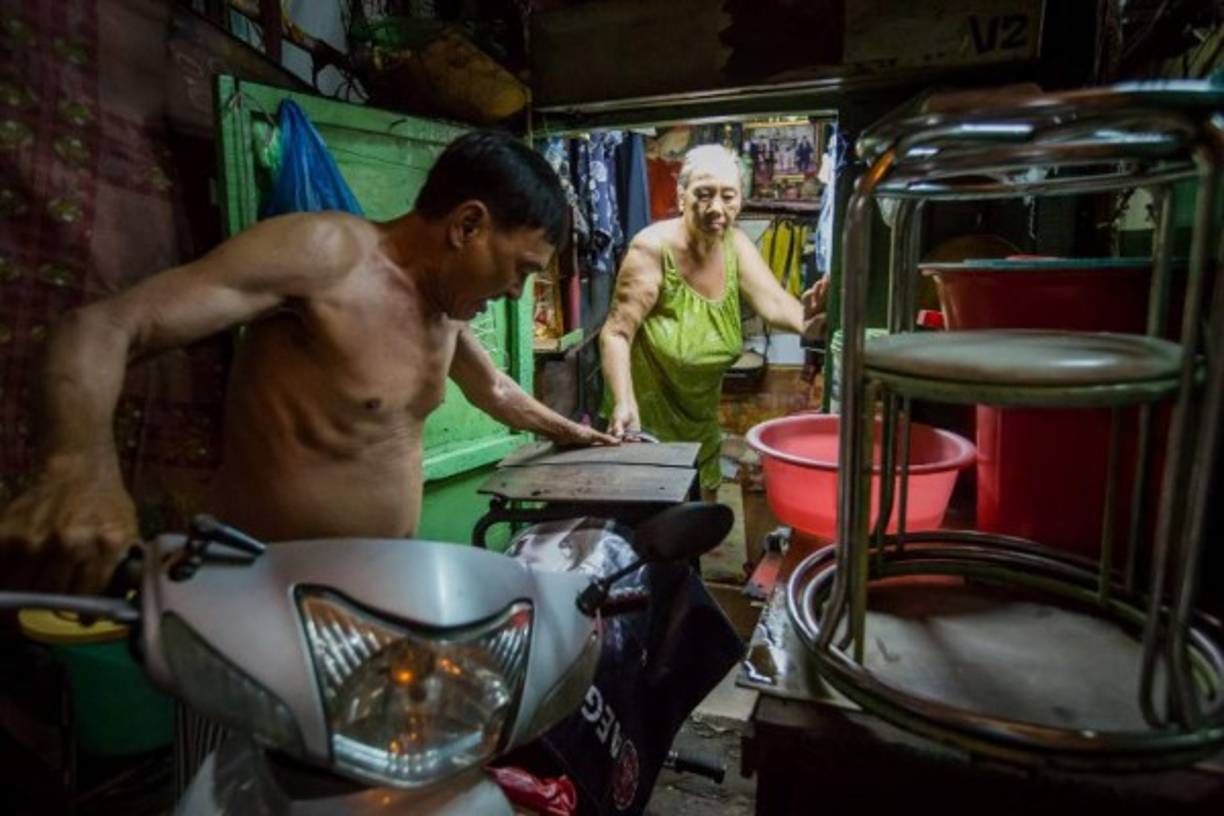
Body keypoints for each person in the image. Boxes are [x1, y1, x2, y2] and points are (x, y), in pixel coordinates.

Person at [0, 130, 616, 596]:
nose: (516, 292)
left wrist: (573, 435)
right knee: (240, 764)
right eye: (521, 270)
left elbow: (495, 391)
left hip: (368, 588)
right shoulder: (328, 257)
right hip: (254, 589)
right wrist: (78, 470)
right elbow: (104, 326)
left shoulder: (445, 310)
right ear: (468, 225)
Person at [601, 144, 828, 500]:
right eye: (703, 194)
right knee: (649, 531)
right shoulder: (652, 249)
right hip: (645, 423)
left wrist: (809, 322)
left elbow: (772, 302)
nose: (717, 209)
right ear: (681, 195)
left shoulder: (734, 244)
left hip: (700, 420)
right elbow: (616, 332)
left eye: (728, 196)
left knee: (695, 528)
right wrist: (623, 402)